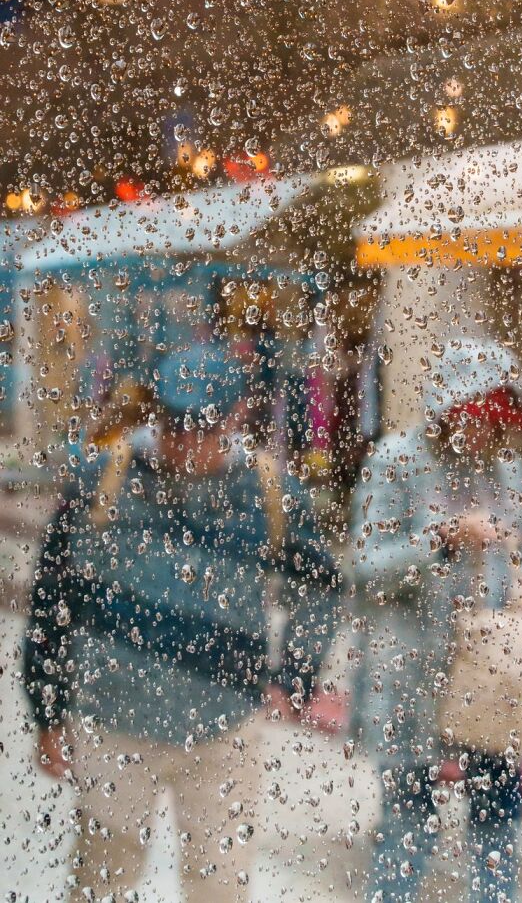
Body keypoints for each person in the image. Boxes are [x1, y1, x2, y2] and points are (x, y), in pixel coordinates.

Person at [23, 343, 340, 902]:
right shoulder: (104, 478)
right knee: (101, 881)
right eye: (175, 424)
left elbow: (319, 589)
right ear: (156, 415)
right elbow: (52, 599)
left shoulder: (268, 490)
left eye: (206, 427)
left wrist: (294, 674)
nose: (188, 443)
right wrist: (47, 708)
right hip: (111, 720)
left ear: (236, 416)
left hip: (225, 724)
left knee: (220, 885)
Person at [350, 338, 522, 903]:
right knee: (408, 818)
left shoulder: (505, 470)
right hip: (411, 669)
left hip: (488, 672)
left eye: (495, 423)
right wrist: (440, 541)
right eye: (475, 420)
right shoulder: (395, 461)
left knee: (497, 816)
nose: (484, 436)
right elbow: (365, 568)